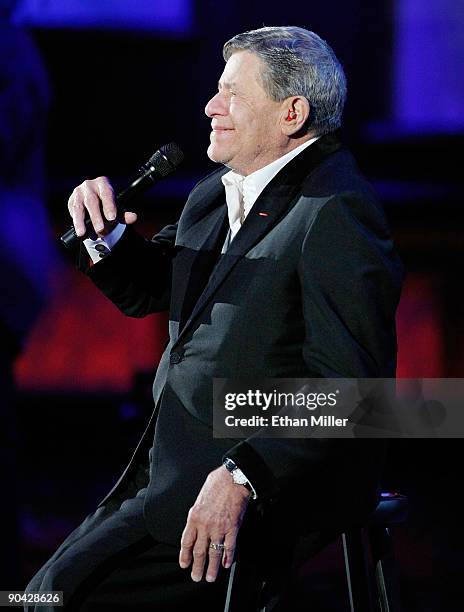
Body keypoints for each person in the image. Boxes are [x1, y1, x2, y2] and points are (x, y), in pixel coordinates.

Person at [25, 26, 403, 611]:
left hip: (257, 482)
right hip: (174, 466)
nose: (210, 106)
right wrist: (104, 236)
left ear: (291, 113)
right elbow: (156, 286)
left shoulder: (337, 212)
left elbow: (352, 393)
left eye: (233, 94)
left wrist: (243, 473)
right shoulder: (217, 190)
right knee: (38, 597)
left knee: (53, 600)